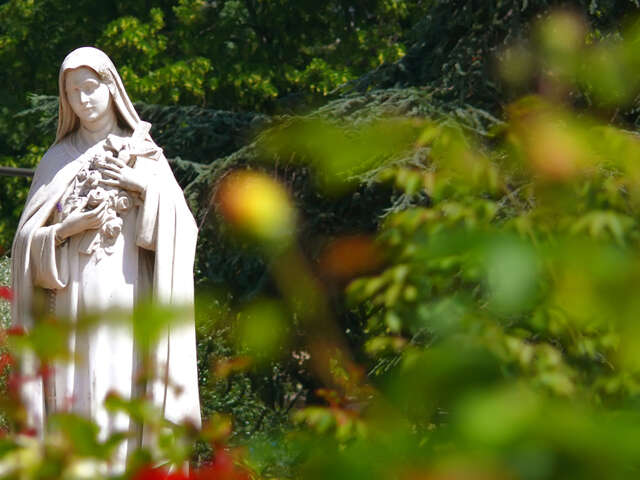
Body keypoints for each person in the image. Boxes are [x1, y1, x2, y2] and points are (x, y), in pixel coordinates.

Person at [10, 47, 201, 466]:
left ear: (112, 86)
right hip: (72, 305)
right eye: (72, 93)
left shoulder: (146, 155)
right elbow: (24, 245)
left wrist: (142, 187)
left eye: (90, 88)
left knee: (123, 387)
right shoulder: (56, 160)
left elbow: (183, 231)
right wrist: (66, 229)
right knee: (78, 393)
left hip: (130, 299)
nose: (83, 100)